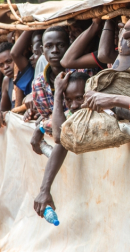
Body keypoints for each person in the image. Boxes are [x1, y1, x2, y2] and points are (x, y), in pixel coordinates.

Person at [34, 71, 89, 217]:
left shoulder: (100, 110)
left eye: (79, 98)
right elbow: (61, 136)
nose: (74, 105)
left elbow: (59, 137)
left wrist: (58, 92)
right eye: (68, 100)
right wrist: (44, 190)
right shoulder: (74, 114)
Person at [30, 26, 70, 154]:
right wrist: (46, 123)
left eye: (61, 45)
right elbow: (50, 121)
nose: (55, 51)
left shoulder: (80, 74)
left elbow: (77, 116)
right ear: (42, 50)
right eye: (49, 46)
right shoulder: (38, 84)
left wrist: (42, 127)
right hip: (60, 144)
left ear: (69, 46)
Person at [10, 30, 43, 96]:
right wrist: (32, 27)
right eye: (34, 52)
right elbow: (15, 54)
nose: (31, 58)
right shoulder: (31, 73)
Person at [0, 42, 18, 112]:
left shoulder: (26, 73)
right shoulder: (6, 80)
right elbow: (3, 109)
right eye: (1, 65)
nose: (6, 67)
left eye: (9, 61)